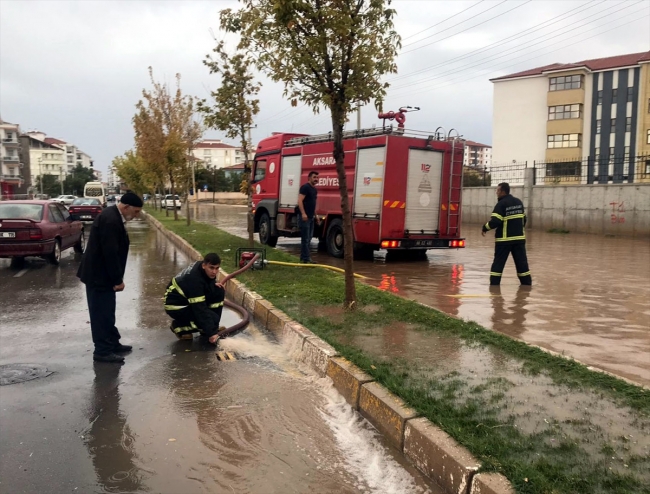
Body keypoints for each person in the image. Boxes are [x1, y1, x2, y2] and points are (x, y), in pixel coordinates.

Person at [78, 192, 143, 363]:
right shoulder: (110, 220)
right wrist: (117, 280)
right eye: (135, 212)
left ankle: (113, 343)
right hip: (99, 276)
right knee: (101, 315)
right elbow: (110, 254)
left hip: (102, 275)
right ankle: (102, 351)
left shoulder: (114, 216)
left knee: (107, 312)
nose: (136, 216)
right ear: (126, 207)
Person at [164, 253, 226, 344]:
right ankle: (178, 327)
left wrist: (213, 285)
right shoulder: (194, 280)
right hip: (176, 306)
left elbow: (206, 280)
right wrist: (212, 333)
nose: (214, 272)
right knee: (207, 317)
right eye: (211, 268)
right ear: (204, 265)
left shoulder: (201, 268)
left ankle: (211, 326)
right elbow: (199, 308)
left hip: (187, 300)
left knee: (219, 291)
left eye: (217, 268)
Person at [482, 182, 532, 286]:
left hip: (504, 241)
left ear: (502, 191)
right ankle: (526, 286)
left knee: (498, 265)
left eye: (497, 190)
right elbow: (524, 219)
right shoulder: (519, 202)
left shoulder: (501, 204)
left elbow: (495, 221)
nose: (496, 192)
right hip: (519, 240)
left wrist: (485, 228)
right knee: (522, 266)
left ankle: (494, 289)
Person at [297, 170, 319, 263]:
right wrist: (303, 213)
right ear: (309, 178)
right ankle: (306, 258)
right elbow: (300, 201)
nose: (316, 179)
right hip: (305, 217)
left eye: (317, 178)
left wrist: (316, 215)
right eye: (314, 177)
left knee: (309, 238)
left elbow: (312, 204)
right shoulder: (305, 188)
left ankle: (303, 258)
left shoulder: (314, 190)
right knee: (305, 239)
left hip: (311, 217)